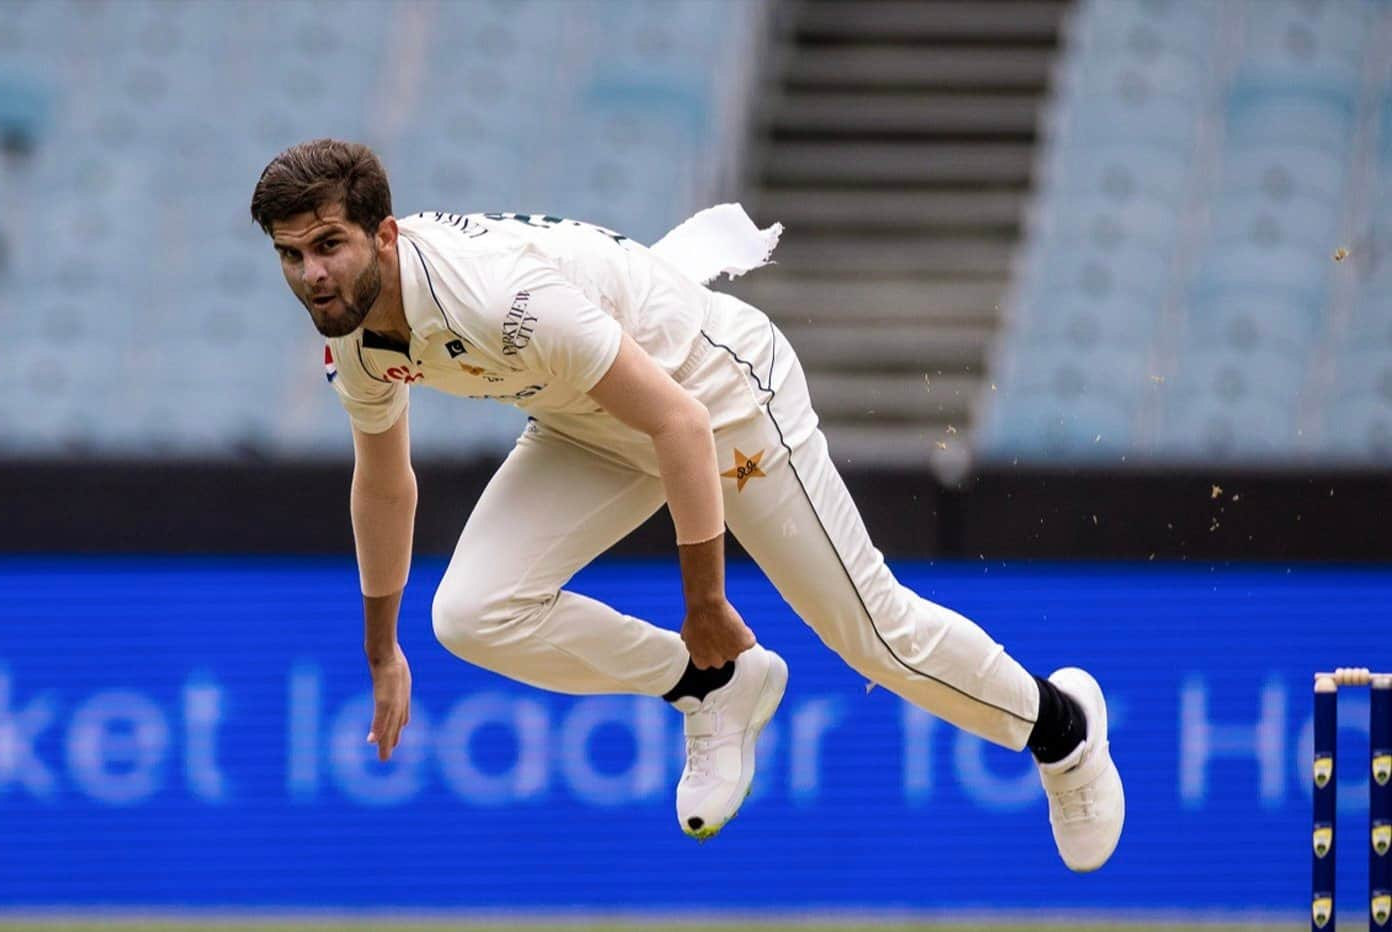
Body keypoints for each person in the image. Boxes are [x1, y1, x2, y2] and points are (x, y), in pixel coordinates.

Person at [250, 138, 1125, 870]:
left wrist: (706, 602)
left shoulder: (496, 297)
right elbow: (384, 479)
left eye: (330, 244)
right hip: (586, 417)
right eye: (292, 255)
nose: (312, 275)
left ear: (386, 235)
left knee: (872, 632)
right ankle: (712, 686)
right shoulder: (356, 338)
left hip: (718, 397)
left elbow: (680, 422)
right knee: (471, 615)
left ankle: (1063, 731)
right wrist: (381, 648)